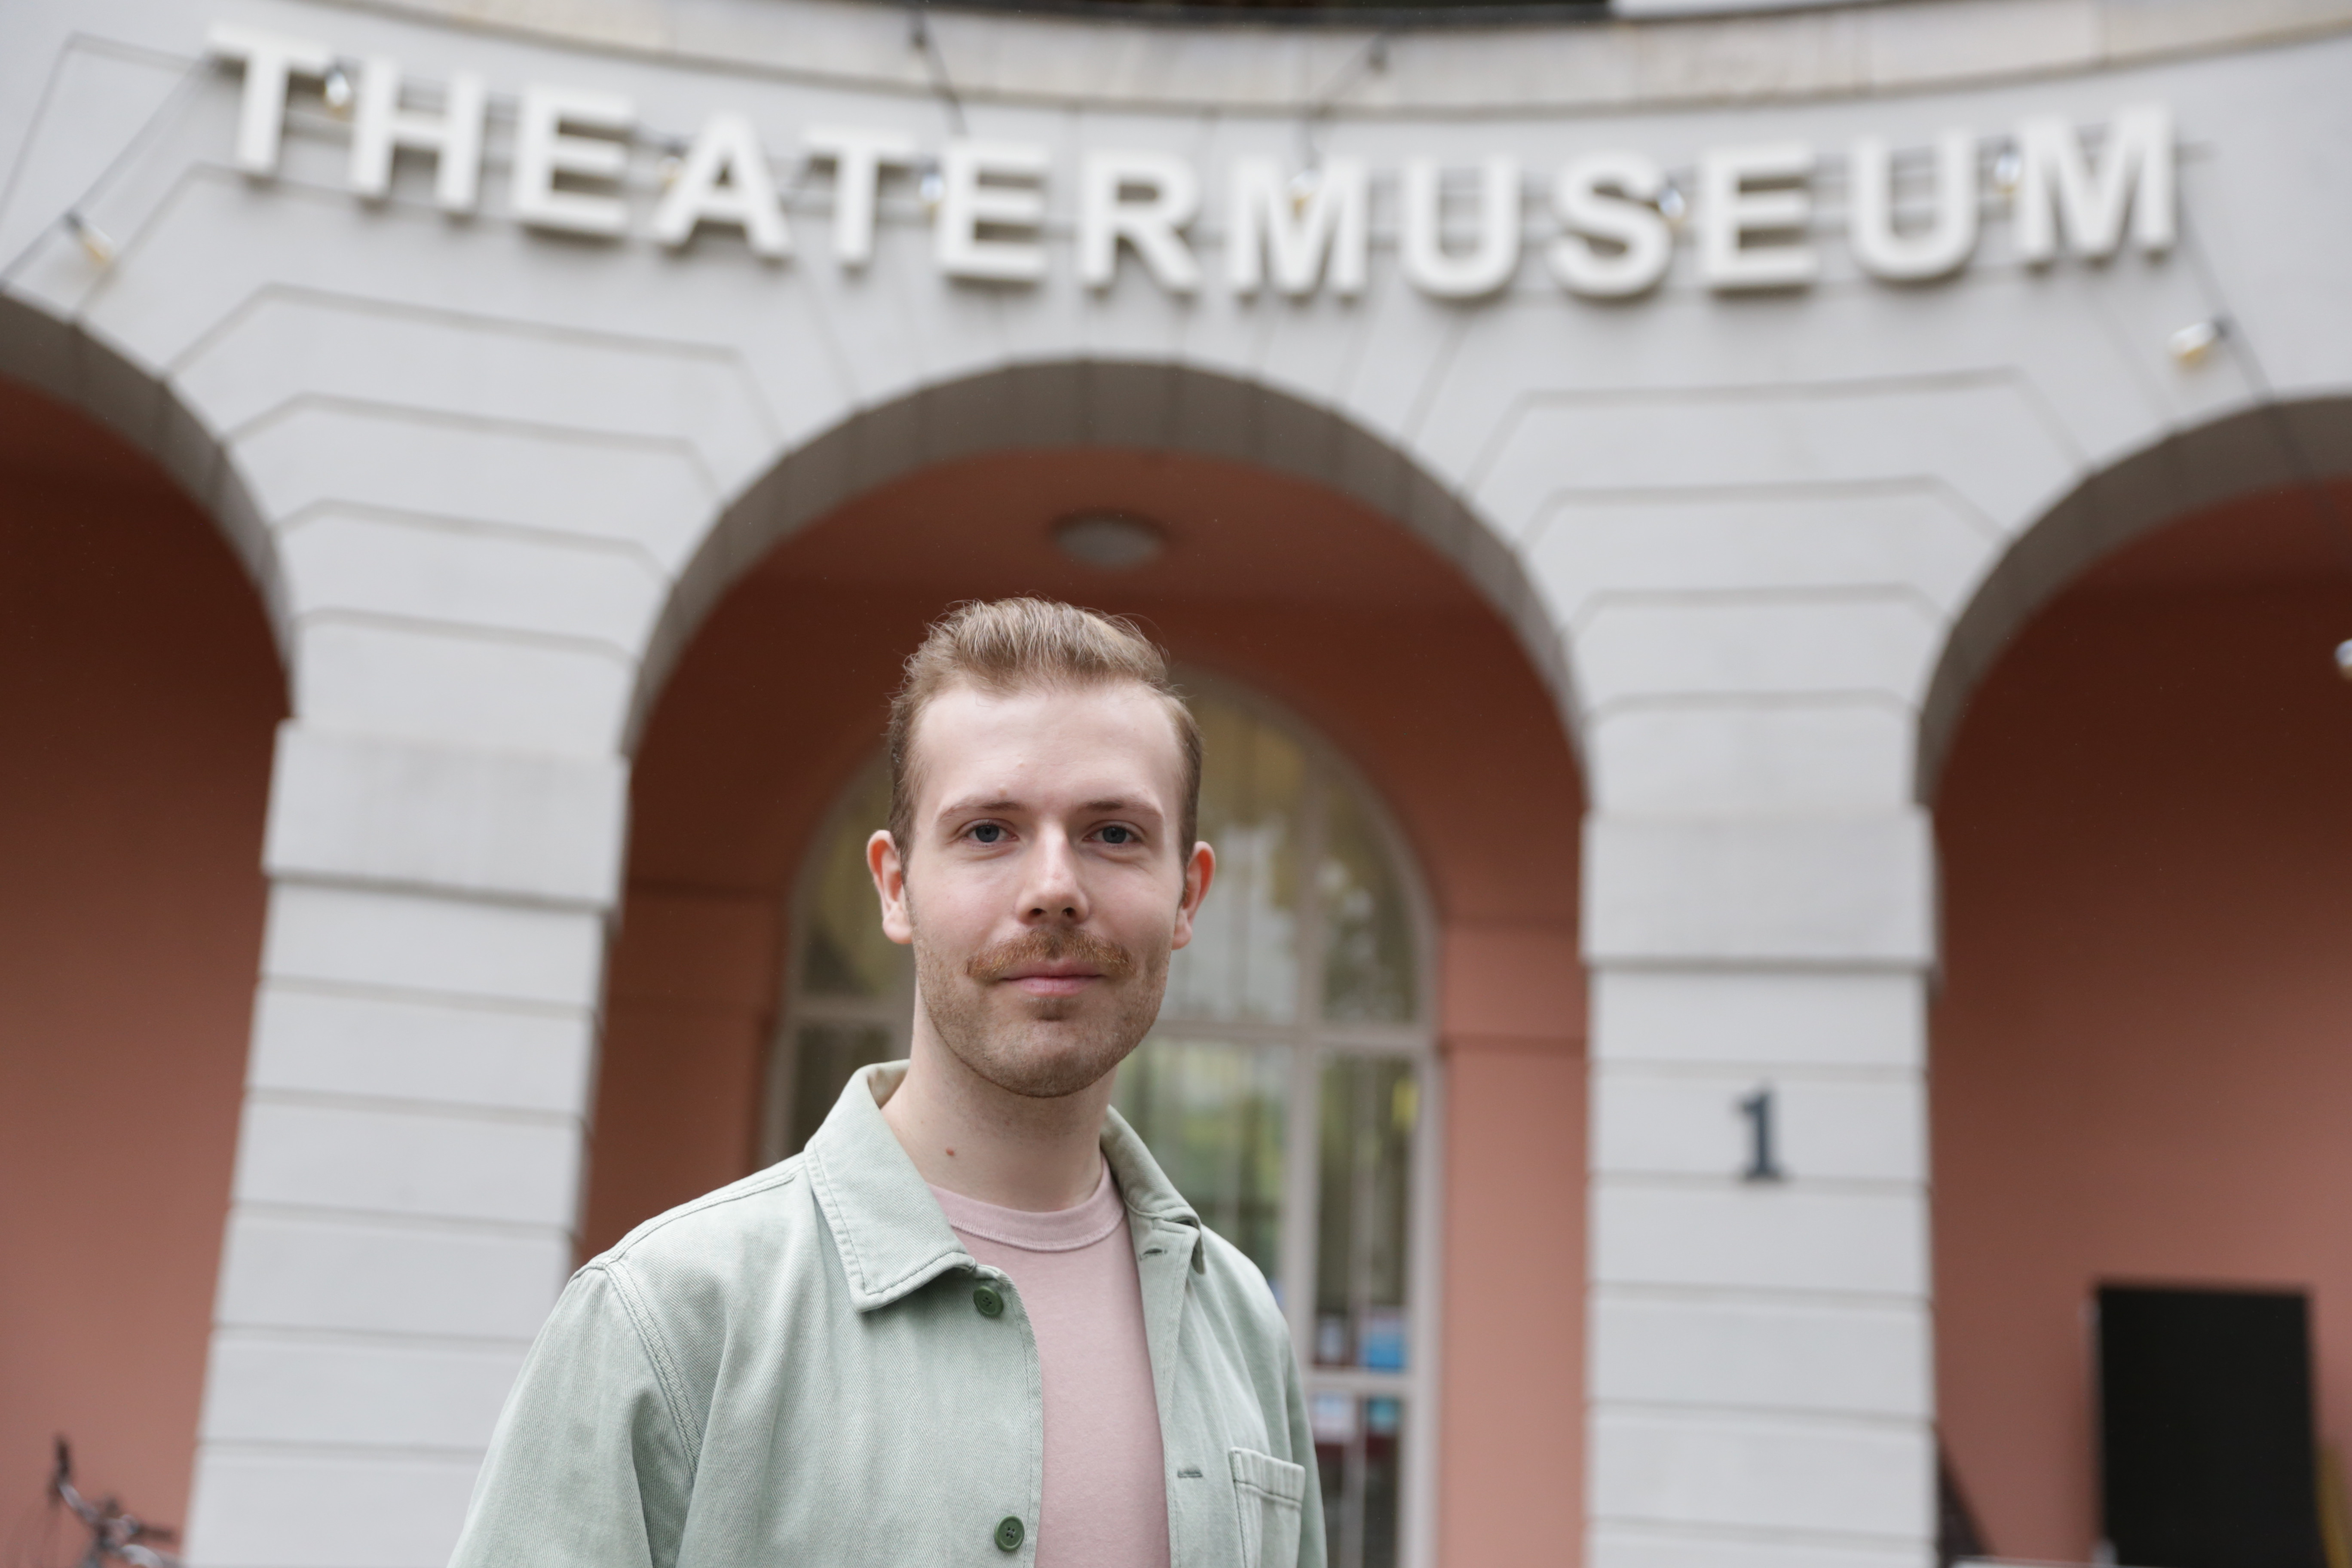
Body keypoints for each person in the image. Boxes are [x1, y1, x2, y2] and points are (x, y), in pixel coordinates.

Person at [449, 598, 1323, 1568]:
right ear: (895, 887)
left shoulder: (1242, 1325)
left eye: (1113, 834)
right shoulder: (667, 1317)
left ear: (1188, 895)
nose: (1054, 886)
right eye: (989, 831)